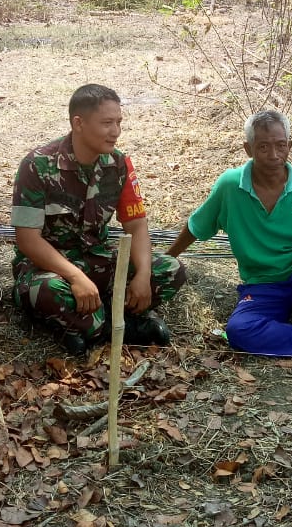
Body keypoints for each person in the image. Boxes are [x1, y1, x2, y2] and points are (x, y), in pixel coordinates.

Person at [168, 110, 292, 361]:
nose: (273, 155)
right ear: (248, 149)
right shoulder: (230, 186)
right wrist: (166, 259)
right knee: (239, 330)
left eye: (280, 145)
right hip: (264, 285)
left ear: (289, 145)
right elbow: (195, 227)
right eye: (263, 146)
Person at [11, 84, 187, 354]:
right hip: (51, 268)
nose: (115, 131)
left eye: (118, 122)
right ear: (78, 123)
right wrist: (75, 276)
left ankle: (92, 324)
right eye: (107, 123)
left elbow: (137, 225)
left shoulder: (118, 164)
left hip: (97, 260)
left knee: (171, 269)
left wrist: (142, 275)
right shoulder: (37, 165)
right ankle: (119, 325)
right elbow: (27, 239)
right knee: (46, 290)